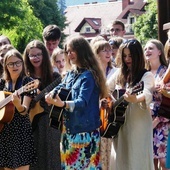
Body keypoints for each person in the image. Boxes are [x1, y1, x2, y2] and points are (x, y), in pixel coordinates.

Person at [45, 35, 108, 169]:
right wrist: (50, 95)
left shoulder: (89, 75)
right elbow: (59, 88)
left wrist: (62, 104)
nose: (69, 54)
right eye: (67, 51)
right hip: (69, 130)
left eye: (72, 50)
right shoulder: (70, 74)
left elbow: (82, 102)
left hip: (85, 132)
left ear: (82, 51)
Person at [107, 39, 155, 170]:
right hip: (120, 123)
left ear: (138, 55)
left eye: (130, 56)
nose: (127, 59)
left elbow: (146, 93)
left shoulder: (147, 75)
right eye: (125, 56)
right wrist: (111, 101)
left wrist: (135, 99)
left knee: (137, 159)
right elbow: (105, 88)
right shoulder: (119, 73)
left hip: (138, 124)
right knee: (120, 159)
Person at [23, 40, 61, 170]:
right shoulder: (24, 78)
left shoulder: (54, 77)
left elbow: (58, 104)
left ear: (44, 55)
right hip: (29, 125)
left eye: (39, 54)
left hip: (49, 124)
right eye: (32, 55)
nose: (36, 58)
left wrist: (42, 98)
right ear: (27, 57)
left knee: (51, 161)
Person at [0, 49, 37, 170]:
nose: (15, 66)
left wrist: (17, 104)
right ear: (6, 66)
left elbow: (24, 111)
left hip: (21, 132)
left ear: (22, 63)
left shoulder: (28, 82)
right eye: (11, 64)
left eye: (17, 63)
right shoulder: (1, 83)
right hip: (4, 132)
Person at [144, 39, 170, 170]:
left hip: (162, 119)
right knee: (150, 159)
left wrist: (157, 120)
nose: (147, 51)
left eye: (150, 48)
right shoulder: (143, 73)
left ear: (159, 51)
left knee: (163, 161)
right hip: (145, 118)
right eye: (145, 49)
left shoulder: (166, 72)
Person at [92, 39, 117, 169]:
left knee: (110, 154)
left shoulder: (116, 72)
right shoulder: (92, 74)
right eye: (104, 50)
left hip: (111, 118)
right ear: (96, 54)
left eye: (110, 49)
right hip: (95, 119)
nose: (109, 52)